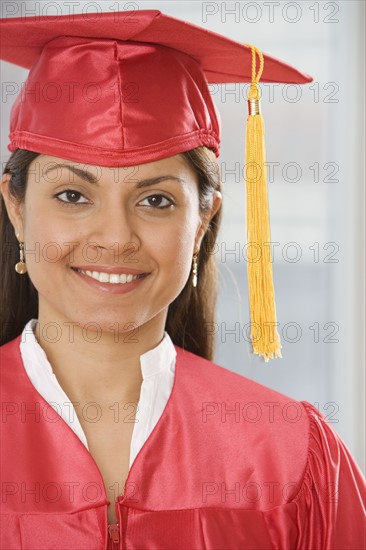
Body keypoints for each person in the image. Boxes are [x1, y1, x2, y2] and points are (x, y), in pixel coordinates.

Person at [0, 9, 365, 550]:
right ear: (17, 208)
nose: (116, 238)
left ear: (203, 222)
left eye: (155, 200)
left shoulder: (288, 455)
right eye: (73, 196)